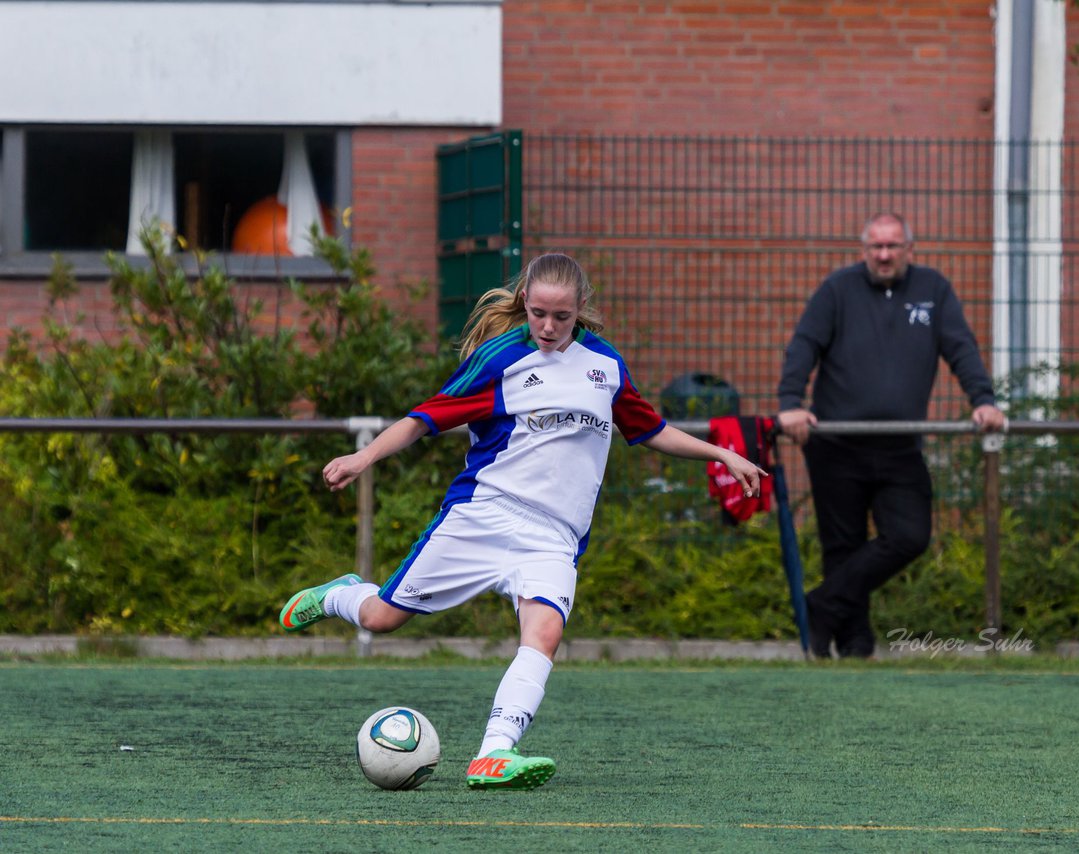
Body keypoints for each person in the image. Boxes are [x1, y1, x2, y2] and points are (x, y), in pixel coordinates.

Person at [279, 252, 766, 790]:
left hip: (555, 536)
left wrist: (723, 454)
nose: (548, 327)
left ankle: (494, 754)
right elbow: (423, 419)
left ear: (581, 309)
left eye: (560, 316)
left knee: (545, 633)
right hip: (485, 514)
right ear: (525, 305)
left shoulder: (605, 366)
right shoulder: (499, 359)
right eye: (538, 313)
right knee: (379, 619)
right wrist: (362, 457)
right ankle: (340, 595)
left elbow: (650, 430)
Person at [777, 213, 1005, 660]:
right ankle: (854, 643)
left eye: (892, 246)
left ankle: (820, 606)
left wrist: (983, 398)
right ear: (865, 250)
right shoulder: (837, 290)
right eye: (875, 246)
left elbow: (960, 346)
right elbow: (805, 343)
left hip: (900, 447)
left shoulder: (933, 290)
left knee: (909, 535)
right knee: (841, 546)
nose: (883, 254)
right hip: (837, 445)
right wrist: (790, 403)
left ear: (909, 250)